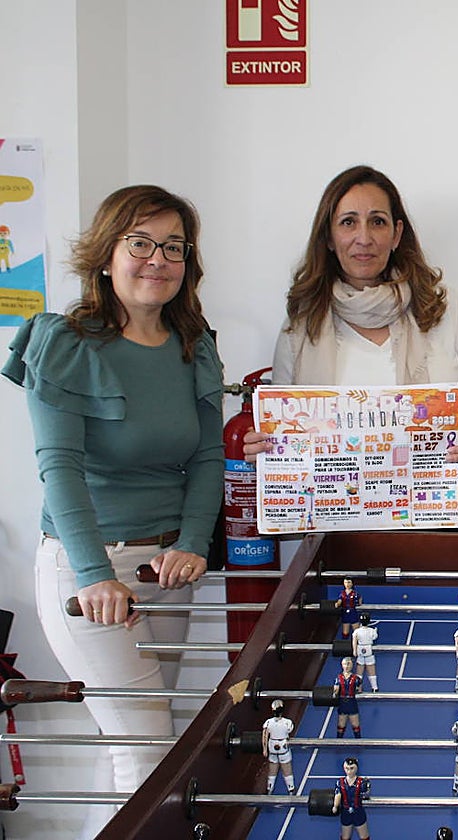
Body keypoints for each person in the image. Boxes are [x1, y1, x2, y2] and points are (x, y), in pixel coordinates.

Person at [2, 185, 222, 825]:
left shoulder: (193, 344)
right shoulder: (63, 341)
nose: (158, 259)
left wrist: (192, 543)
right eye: (141, 243)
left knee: (141, 741)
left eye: (173, 247)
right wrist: (96, 574)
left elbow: (207, 459)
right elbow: (58, 467)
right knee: (147, 746)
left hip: (168, 568)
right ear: (106, 256)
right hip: (88, 571)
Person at [248, 165, 458, 532]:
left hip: (444, 520)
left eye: (378, 222)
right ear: (329, 237)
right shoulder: (301, 327)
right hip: (339, 529)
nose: (364, 238)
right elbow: (283, 433)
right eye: (348, 222)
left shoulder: (443, 307)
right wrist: (267, 448)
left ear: (397, 233)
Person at [262, 699, 296, 794]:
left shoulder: (268, 722)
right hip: (283, 748)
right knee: (286, 769)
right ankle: (291, 789)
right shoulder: (287, 723)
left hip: (272, 747)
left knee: (272, 769)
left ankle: (269, 789)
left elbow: (265, 736)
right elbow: (289, 730)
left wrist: (265, 749)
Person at [333, 756, 371, 840]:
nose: (349, 771)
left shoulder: (361, 782)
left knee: (364, 836)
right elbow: (337, 794)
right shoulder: (340, 782)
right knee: (345, 836)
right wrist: (335, 806)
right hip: (345, 812)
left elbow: (366, 795)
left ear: (356, 768)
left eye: (352, 768)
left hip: (358, 811)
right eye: (347, 768)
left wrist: (367, 789)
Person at [335, 656, 363, 738]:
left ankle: (358, 741)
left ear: (351, 665)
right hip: (342, 702)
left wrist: (358, 689)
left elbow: (359, 689)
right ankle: (338, 741)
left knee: (355, 724)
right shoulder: (338, 678)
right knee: (341, 724)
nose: (346, 666)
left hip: (352, 702)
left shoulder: (356, 678)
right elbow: (335, 690)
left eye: (348, 664)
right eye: (344, 664)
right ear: (342, 665)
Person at [353, 612, 379, 692]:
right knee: (371, 669)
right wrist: (376, 631)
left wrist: (354, 650)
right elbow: (375, 637)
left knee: (359, 671)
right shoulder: (371, 631)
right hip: (368, 650)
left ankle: (358, 688)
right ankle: (374, 688)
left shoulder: (357, 631)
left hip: (360, 650)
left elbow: (354, 641)